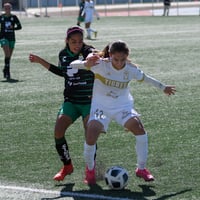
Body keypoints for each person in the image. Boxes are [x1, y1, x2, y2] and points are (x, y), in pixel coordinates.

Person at [70, 40, 176, 184]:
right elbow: (73, 64)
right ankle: (90, 170)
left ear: (127, 57)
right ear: (110, 55)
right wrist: (86, 62)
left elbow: (146, 79)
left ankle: (141, 169)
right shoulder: (100, 64)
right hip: (101, 109)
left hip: (122, 108)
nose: (119, 63)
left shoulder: (130, 69)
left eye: (123, 59)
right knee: (91, 133)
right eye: (116, 59)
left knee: (139, 129)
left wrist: (163, 87)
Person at [29, 26, 97, 181]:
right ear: (67, 41)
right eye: (73, 41)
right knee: (58, 131)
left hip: (89, 102)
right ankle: (67, 166)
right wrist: (40, 61)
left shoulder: (87, 50)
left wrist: (91, 57)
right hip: (71, 102)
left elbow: (92, 55)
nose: (77, 44)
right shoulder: (63, 54)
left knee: (90, 135)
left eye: (80, 41)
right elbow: (62, 72)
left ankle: (90, 169)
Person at [0, 3, 22, 80]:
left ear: (11, 9)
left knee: (9, 56)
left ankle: (5, 69)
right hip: (3, 38)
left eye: (8, 8)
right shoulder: (1, 17)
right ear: (3, 9)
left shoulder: (14, 17)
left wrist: (13, 28)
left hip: (12, 38)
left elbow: (20, 27)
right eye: (5, 8)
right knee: (7, 53)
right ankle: (8, 72)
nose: (7, 9)